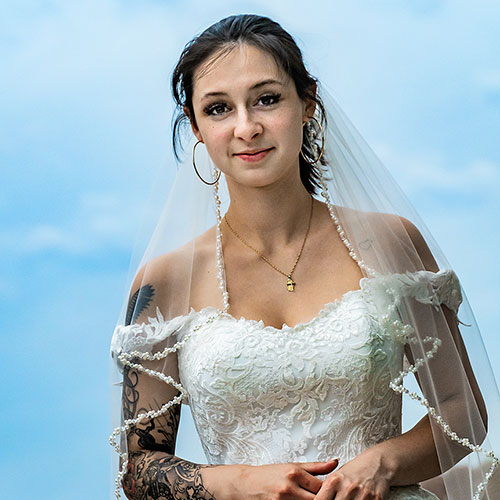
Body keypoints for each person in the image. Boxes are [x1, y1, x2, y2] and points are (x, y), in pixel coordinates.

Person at [109, 14, 499, 500]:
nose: (246, 128)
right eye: (218, 109)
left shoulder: (390, 242)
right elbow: (140, 468)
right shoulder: (164, 281)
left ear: (307, 102)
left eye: (267, 100)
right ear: (195, 126)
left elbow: (463, 408)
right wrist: (244, 483)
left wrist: (382, 462)